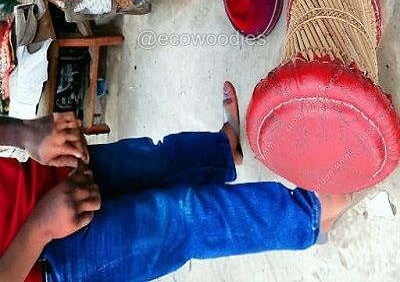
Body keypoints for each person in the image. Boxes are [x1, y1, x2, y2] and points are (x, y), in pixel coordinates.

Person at [0, 83, 352, 282]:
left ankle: (224, 151)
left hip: (40, 181)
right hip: (45, 260)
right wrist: (38, 228)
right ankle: (310, 217)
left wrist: (24, 132)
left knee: (155, 161)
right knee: (183, 219)